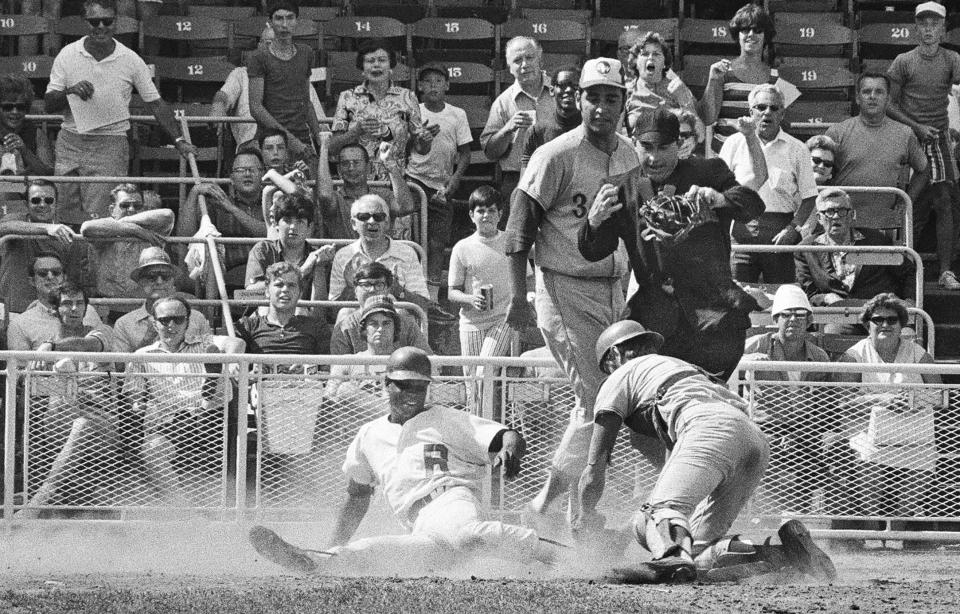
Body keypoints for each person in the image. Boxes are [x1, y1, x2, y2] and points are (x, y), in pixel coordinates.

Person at [248, 346, 564, 576]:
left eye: (419, 385)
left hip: (451, 499)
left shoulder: (446, 419)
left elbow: (507, 436)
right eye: (403, 384)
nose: (412, 391)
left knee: (469, 533)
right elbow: (357, 497)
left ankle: (571, 558)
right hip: (419, 527)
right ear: (387, 384)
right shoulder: (369, 434)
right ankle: (313, 561)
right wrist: (334, 543)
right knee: (371, 552)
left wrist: (511, 450)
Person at [572, 319, 836, 583]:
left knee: (655, 513)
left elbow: (594, 469)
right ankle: (788, 554)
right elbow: (680, 474)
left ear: (614, 355)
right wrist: (623, 535)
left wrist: (584, 519)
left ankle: (669, 558)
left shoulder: (620, 375)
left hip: (707, 427)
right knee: (698, 551)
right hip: (752, 437)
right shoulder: (680, 368)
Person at [505, 58, 634, 517]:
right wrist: (519, 297)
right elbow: (519, 228)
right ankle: (560, 505)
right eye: (592, 97)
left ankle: (562, 506)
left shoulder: (628, 153)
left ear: (624, 101)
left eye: (610, 97)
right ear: (577, 99)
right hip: (564, 285)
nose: (601, 107)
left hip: (613, 287)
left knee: (606, 399)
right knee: (599, 398)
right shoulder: (555, 153)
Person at [580, 107, 763, 382]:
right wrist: (594, 222)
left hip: (713, 318)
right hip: (653, 321)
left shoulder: (709, 171)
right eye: (646, 147)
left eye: (664, 147)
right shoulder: (618, 188)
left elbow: (753, 205)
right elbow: (593, 251)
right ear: (633, 143)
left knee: (703, 402)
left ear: (679, 144)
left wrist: (719, 199)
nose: (654, 157)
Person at [44, 0, 197, 225]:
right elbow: (48, 104)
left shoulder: (131, 59)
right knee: (63, 214)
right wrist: (70, 91)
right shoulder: (67, 55)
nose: (101, 27)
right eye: (95, 21)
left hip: (110, 144)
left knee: (101, 218)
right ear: (84, 22)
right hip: (70, 141)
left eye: (108, 21)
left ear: (116, 22)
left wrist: (178, 140)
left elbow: (155, 103)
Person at [836, 292, 941, 549]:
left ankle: (895, 536)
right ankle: (873, 537)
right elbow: (842, 401)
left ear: (901, 324)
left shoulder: (918, 354)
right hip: (866, 431)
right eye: (878, 319)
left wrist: (912, 401)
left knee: (919, 468)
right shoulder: (854, 356)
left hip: (913, 432)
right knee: (868, 466)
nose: (885, 324)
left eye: (892, 319)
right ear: (867, 323)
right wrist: (880, 400)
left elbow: (940, 396)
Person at [15, 281, 117, 518]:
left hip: (101, 424)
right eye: (67, 304)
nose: (74, 309)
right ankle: (48, 497)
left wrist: (51, 348)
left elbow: (87, 345)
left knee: (82, 424)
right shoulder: (42, 350)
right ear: (55, 310)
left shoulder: (101, 332)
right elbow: (30, 390)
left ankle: (39, 501)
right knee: (62, 409)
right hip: (58, 421)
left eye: (79, 303)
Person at [122, 296, 234, 508]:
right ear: (154, 323)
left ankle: (212, 383)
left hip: (206, 418)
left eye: (178, 319)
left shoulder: (206, 345)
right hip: (166, 424)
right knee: (152, 449)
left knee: (219, 387)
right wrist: (139, 405)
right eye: (165, 320)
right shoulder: (142, 355)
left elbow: (237, 342)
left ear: (188, 322)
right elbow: (134, 396)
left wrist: (232, 356)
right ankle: (184, 509)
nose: (171, 325)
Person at [885, 1, 960, 291]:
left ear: (943, 29)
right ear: (916, 28)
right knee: (907, 201)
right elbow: (889, 105)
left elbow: (957, 93)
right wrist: (916, 127)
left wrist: (951, 126)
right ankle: (897, 265)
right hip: (908, 137)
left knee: (944, 201)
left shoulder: (952, 59)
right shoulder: (904, 61)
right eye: (923, 24)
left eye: (934, 24)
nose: (929, 29)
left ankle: (945, 271)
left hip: (939, 138)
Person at [742, 284, 833, 514]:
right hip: (762, 428)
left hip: (804, 431)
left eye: (800, 314)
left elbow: (823, 407)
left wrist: (803, 434)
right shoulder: (757, 345)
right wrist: (746, 361)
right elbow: (727, 367)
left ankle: (806, 523)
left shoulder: (819, 356)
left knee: (830, 452)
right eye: (786, 314)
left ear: (809, 320)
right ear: (775, 319)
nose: (793, 319)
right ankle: (764, 520)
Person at [720, 84, 818, 284]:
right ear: (750, 112)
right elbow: (719, 188)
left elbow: (809, 196)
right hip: (741, 233)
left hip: (780, 232)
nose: (767, 113)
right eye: (761, 107)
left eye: (774, 108)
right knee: (738, 294)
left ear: (782, 114)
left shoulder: (797, 149)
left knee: (781, 294)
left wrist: (794, 229)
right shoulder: (733, 143)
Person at [825, 72, 928, 252]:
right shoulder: (837, 132)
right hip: (842, 222)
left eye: (879, 92)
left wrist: (906, 202)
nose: (872, 97)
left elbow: (923, 169)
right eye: (866, 92)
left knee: (878, 276)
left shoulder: (904, 133)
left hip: (884, 224)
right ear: (857, 98)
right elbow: (819, 173)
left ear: (888, 99)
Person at [210, 22, 327, 152]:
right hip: (255, 146)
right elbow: (223, 95)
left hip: (295, 144)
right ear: (259, 46)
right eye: (268, 43)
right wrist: (218, 108)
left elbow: (318, 118)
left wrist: (322, 140)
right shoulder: (241, 73)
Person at [405, 64, 472, 288]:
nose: (433, 85)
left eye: (438, 80)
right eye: (427, 81)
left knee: (437, 241)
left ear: (447, 85)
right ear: (420, 87)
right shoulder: (415, 112)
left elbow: (465, 153)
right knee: (413, 238)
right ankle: (413, 287)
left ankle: (432, 295)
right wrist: (420, 139)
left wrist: (454, 180)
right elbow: (407, 147)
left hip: (442, 186)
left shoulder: (457, 114)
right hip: (414, 180)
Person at [329, 38, 433, 181]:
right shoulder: (347, 97)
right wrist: (356, 131)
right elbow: (332, 148)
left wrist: (425, 141)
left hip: (394, 182)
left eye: (382, 60)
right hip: (355, 181)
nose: (376, 65)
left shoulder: (408, 97)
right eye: (370, 61)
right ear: (362, 68)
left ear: (391, 66)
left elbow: (421, 150)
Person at [795, 188, 917, 309]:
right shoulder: (806, 249)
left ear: (852, 215)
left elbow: (908, 272)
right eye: (829, 211)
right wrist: (826, 298)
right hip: (838, 315)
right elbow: (809, 293)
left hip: (877, 313)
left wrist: (909, 301)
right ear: (819, 218)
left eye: (842, 210)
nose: (836, 216)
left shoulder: (876, 241)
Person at [448, 186, 522, 380]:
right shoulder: (461, 247)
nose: (486, 215)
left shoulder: (509, 241)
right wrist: (471, 299)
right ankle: (480, 412)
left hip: (503, 319)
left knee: (484, 372)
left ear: (500, 214)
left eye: (491, 210)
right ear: (472, 215)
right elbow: (452, 292)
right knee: (472, 383)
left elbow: (527, 277)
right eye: (481, 211)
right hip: (471, 322)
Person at [701, 3, 795, 153]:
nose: (751, 34)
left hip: (762, 157)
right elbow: (708, 118)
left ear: (766, 36)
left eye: (757, 30)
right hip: (725, 157)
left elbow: (783, 123)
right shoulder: (723, 72)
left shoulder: (777, 77)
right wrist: (712, 80)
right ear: (737, 34)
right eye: (745, 29)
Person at [481, 36, 555, 218]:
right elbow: (490, 152)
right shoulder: (503, 102)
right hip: (517, 180)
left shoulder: (559, 92)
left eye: (529, 58)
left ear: (540, 59)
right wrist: (508, 129)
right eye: (517, 60)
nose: (524, 65)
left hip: (557, 175)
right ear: (509, 67)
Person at [80, 183, 176, 323]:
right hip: (107, 310)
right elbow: (86, 228)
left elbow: (168, 215)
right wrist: (133, 230)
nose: (131, 209)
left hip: (143, 309)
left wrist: (126, 223)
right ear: (112, 209)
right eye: (125, 206)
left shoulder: (151, 229)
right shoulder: (104, 229)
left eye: (137, 206)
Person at [175, 147, 268, 288]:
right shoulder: (217, 204)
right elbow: (184, 235)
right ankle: (213, 309)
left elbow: (269, 233)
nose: (247, 174)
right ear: (231, 178)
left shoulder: (272, 201)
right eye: (241, 170)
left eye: (253, 169)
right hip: (229, 275)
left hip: (266, 272)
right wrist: (194, 193)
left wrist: (231, 208)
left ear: (263, 174)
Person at [0, 179, 94, 313]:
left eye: (49, 200)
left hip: (51, 311)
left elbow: (72, 281)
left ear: (56, 203)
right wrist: (46, 228)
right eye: (36, 200)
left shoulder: (66, 235)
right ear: (26, 204)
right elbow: (4, 227)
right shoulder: (14, 220)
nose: (42, 205)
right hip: (12, 310)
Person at [328, 194, 430, 314]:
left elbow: (423, 307)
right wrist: (352, 287)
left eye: (378, 217)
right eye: (364, 216)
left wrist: (397, 289)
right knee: (345, 313)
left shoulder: (407, 253)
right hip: (358, 325)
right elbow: (334, 312)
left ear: (387, 223)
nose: (371, 221)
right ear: (353, 224)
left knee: (400, 312)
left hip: (395, 325)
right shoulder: (343, 256)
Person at [247, 0, 322, 161]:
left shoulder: (306, 53)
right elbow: (256, 107)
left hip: (302, 138)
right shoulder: (258, 57)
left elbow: (306, 101)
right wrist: (291, 141)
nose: (284, 24)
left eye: (290, 18)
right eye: (279, 18)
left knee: (307, 185)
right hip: (270, 139)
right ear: (271, 22)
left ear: (297, 21)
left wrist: (318, 136)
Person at [317, 134, 418, 241]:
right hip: (345, 256)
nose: (351, 168)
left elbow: (406, 207)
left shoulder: (382, 196)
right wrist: (324, 148)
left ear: (368, 167)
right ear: (339, 170)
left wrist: (391, 165)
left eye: (356, 163)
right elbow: (324, 195)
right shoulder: (336, 199)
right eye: (345, 163)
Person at [113, 247, 212, 354]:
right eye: (152, 276)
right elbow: (120, 367)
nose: (159, 281)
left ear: (173, 281)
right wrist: (147, 339)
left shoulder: (197, 318)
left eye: (165, 276)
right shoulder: (124, 324)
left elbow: (211, 354)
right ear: (141, 281)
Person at [246, 192, 336, 303]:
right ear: (276, 224)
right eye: (287, 221)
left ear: (309, 227)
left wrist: (319, 268)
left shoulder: (318, 258)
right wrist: (301, 271)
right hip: (266, 316)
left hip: (304, 318)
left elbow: (319, 312)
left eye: (300, 222)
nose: (293, 227)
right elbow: (246, 296)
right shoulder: (263, 250)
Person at [7, 253, 105, 350]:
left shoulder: (89, 311)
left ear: (64, 277)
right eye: (42, 273)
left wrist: (52, 347)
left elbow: (100, 344)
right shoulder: (20, 324)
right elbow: (18, 364)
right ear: (32, 281)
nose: (50, 277)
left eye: (56, 272)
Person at [330, 262, 431, 356]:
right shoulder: (346, 326)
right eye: (365, 285)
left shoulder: (407, 324)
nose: (372, 290)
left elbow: (428, 361)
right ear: (355, 291)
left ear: (388, 289)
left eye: (379, 285)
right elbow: (338, 369)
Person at [236, 262, 330, 356]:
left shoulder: (317, 327)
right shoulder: (247, 326)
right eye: (279, 285)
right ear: (267, 291)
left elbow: (326, 368)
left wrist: (307, 367)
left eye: (291, 285)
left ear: (300, 293)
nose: (285, 289)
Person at [625, 32, 703, 143]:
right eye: (645, 54)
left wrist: (692, 141)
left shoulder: (678, 88)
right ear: (635, 62)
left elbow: (700, 136)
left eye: (656, 54)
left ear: (664, 63)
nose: (650, 58)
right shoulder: (627, 91)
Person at [520, 65, 581, 174]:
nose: (568, 90)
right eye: (562, 85)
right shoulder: (537, 133)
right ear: (552, 90)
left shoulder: (591, 131)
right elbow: (525, 180)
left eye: (575, 86)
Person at [0, 74, 53, 178]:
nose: (14, 112)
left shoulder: (36, 134)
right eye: (8, 107)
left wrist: (24, 151)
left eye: (20, 107)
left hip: (26, 190)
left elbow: (48, 173)